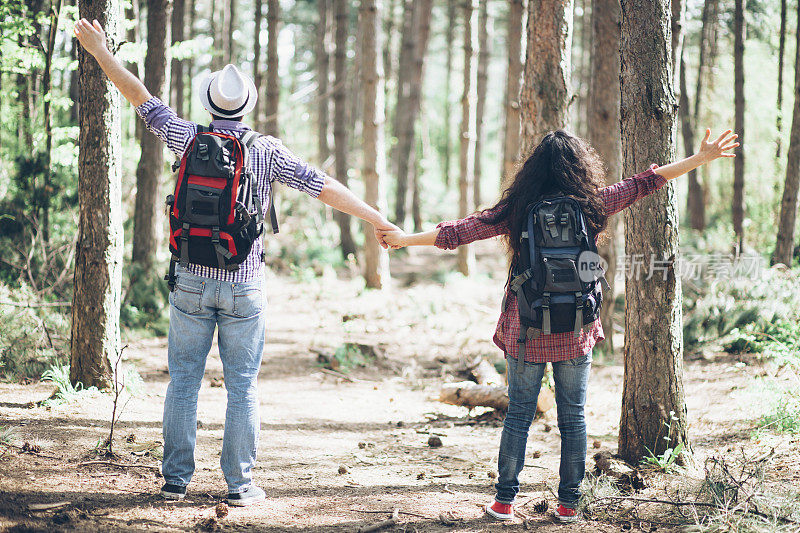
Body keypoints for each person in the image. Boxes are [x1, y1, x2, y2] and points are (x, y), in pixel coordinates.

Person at [74, 18, 399, 506]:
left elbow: (139, 97)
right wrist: (378, 220)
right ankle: (240, 485)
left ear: (209, 104)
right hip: (245, 284)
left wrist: (101, 52)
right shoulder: (266, 151)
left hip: (190, 280)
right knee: (242, 383)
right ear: (246, 108)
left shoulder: (187, 138)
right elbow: (323, 187)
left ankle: (175, 481)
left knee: (183, 378)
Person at [379, 128, 738, 522]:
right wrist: (700, 159)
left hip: (526, 327)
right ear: (580, 167)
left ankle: (504, 501)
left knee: (518, 414)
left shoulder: (518, 208)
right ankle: (569, 503)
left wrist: (403, 240)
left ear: (532, 170)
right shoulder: (591, 204)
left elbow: (459, 232)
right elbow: (644, 183)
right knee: (573, 417)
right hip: (576, 329)